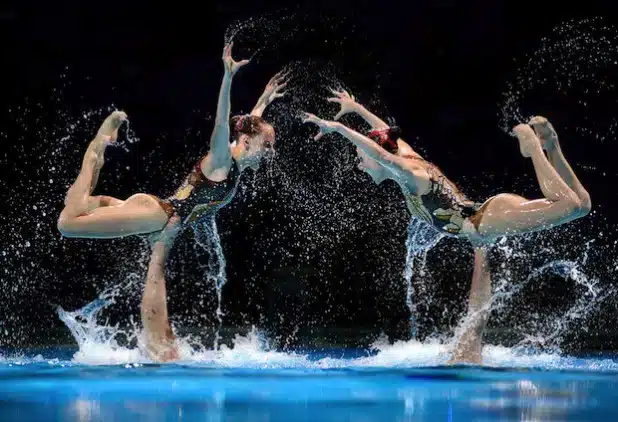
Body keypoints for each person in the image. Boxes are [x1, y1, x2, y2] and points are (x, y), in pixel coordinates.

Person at [302, 89, 591, 364]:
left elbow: (380, 153)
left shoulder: (411, 175)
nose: (360, 165)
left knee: (567, 206)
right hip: (482, 223)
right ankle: (551, 145)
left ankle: (533, 148)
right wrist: (357, 109)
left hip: (486, 219)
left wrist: (339, 128)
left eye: (360, 158)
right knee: (582, 206)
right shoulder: (403, 153)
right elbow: (385, 132)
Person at [57, 42, 288, 238]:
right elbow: (221, 123)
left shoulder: (235, 157)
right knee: (67, 224)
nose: (271, 151)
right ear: (247, 142)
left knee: (80, 203)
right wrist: (228, 78)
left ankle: (101, 149)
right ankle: (95, 151)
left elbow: (250, 125)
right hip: (155, 216)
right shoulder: (222, 160)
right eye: (267, 145)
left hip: (155, 213)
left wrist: (263, 101)